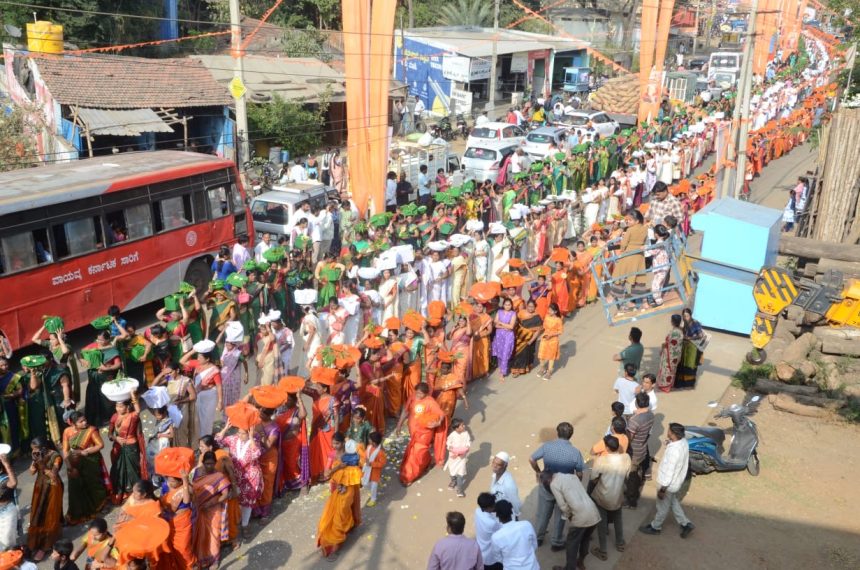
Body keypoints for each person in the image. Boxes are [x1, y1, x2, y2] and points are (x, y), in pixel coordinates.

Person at [529, 422, 585, 551]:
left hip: (547, 484)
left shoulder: (547, 446)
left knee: (543, 513)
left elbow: (532, 459)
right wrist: (575, 484)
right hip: (564, 489)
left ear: (557, 432)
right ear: (571, 435)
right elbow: (580, 473)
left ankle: (539, 537)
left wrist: (539, 472)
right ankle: (556, 542)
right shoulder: (575, 452)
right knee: (561, 515)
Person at [639, 423, 694, 538]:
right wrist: (670, 443)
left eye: (669, 431)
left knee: (662, 506)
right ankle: (685, 524)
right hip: (676, 481)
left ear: (673, 434)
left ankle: (655, 527)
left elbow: (669, 471)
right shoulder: (683, 442)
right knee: (673, 502)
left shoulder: (674, 452)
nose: (667, 432)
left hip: (668, 484)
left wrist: (663, 489)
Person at [216, 420, 262, 541]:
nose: (240, 435)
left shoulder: (254, 442)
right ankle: (238, 519)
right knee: (237, 499)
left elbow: (257, 453)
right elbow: (218, 441)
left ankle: (245, 525)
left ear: (249, 433)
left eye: (243, 434)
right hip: (235, 476)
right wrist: (225, 428)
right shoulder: (233, 439)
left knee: (247, 501)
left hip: (250, 477)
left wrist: (251, 438)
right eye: (239, 432)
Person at [316, 438, 362, 560]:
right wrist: (339, 467)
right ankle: (338, 538)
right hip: (341, 494)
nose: (334, 445)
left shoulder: (353, 467)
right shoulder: (344, 464)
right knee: (339, 515)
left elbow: (331, 476)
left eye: (337, 443)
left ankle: (336, 545)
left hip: (345, 495)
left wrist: (339, 469)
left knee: (339, 516)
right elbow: (330, 475)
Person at [62, 412, 110, 525]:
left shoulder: (91, 430)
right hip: (74, 464)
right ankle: (80, 512)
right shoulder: (67, 432)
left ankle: (99, 506)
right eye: (81, 422)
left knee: (94, 485)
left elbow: (100, 445)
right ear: (73, 424)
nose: (85, 423)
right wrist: (69, 466)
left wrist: (85, 452)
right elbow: (65, 450)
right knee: (76, 489)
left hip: (90, 462)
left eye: (85, 420)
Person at [396, 382, 447, 486]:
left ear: (426, 393)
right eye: (417, 392)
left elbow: (441, 414)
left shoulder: (430, 402)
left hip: (425, 433)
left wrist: (438, 423)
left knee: (417, 452)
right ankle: (428, 460)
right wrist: (399, 425)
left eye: (420, 394)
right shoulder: (412, 397)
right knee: (415, 451)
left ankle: (409, 476)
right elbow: (405, 411)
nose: (418, 395)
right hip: (413, 431)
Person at [589, 435, 631, 560]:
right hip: (618, 494)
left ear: (606, 448)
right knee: (618, 517)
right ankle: (620, 543)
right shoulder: (626, 457)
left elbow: (593, 478)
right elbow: (627, 476)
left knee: (602, 522)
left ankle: (603, 551)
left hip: (603, 495)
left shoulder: (602, 460)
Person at [549, 469, 600, 570]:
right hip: (594, 513)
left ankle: (570, 568)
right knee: (585, 539)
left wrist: (569, 516)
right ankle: (580, 563)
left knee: (572, 544)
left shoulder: (553, 484)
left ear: (548, 480)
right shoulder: (573, 476)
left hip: (581, 517)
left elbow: (563, 506)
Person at [191, 450, 232, 569]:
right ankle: (201, 559)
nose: (210, 466)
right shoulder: (196, 473)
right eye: (207, 463)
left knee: (214, 534)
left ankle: (214, 560)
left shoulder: (219, 476)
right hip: (199, 509)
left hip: (213, 510)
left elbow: (225, 494)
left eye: (212, 463)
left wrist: (211, 503)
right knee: (200, 535)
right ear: (202, 463)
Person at [27, 437, 64, 561]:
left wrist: (42, 464)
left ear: (44, 447)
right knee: (37, 514)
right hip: (40, 487)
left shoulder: (56, 457)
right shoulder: (37, 455)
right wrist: (34, 462)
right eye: (33, 450)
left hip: (53, 488)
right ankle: (35, 542)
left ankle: (45, 546)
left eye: (36, 449)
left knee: (50, 516)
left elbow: (53, 476)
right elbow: (31, 472)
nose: (34, 452)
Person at [107, 396, 148, 504]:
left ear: (127, 406)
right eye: (117, 406)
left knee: (133, 471)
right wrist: (115, 438)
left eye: (121, 406)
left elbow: (138, 410)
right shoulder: (114, 417)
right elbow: (109, 434)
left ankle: (136, 492)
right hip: (118, 447)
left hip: (131, 447)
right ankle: (122, 491)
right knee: (118, 470)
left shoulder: (132, 416)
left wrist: (133, 395)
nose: (118, 409)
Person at [624, 392, 655, 509]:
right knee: (638, 472)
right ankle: (635, 490)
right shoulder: (651, 415)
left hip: (634, 451)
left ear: (637, 403)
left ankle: (631, 501)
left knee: (631, 476)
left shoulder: (634, 421)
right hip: (642, 448)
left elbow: (629, 437)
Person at [490, 500, 539, 570]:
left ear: (498, 516)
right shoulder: (526, 524)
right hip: (532, 567)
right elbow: (534, 545)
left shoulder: (496, 537)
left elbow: (498, 558)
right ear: (511, 512)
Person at [160, 471, 195, 569]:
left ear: (180, 482)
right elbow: (161, 500)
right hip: (168, 522)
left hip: (182, 523)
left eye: (173, 481)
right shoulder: (165, 486)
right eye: (169, 480)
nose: (170, 483)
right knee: (172, 548)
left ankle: (189, 566)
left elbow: (187, 501)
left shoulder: (187, 488)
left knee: (184, 548)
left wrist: (185, 481)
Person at [510, 299, 542, 377]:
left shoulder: (537, 317)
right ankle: (517, 369)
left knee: (527, 353)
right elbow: (517, 322)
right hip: (520, 337)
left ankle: (525, 368)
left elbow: (537, 331)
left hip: (530, 338)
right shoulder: (521, 313)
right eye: (529, 306)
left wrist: (531, 341)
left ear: (535, 307)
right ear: (526, 306)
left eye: (532, 307)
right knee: (518, 353)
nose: (530, 308)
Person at [677, 308, 707, 389]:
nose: (685, 317)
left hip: (693, 348)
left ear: (690, 315)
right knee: (684, 364)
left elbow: (700, 335)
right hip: (686, 347)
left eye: (687, 316)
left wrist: (690, 338)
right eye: (684, 316)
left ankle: (689, 383)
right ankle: (683, 382)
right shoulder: (685, 323)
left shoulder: (695, 323)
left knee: (691, 365)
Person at [656, 314, 684, 392]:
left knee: (666, 369)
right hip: (676, 355)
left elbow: (667, 343)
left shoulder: (674, 332)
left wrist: (662, 347)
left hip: (669, 354)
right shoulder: (680, 331)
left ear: (672, 322)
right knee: (672, 370)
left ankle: (665, 385)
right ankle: (670, 384)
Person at [444, 418, 471, 498]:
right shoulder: (452, 436)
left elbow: (468, 443)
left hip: (462, 459)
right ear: (456, 428)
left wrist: (466, 448)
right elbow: (448, 445)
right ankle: (453, 481)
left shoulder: (466, 434)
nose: (464, 426)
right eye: (462, 425)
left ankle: (459, 490)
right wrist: (452, 449)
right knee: (452, 471)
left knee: (461, 474)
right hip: (453, 458)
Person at [490, 451, 521, 519]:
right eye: (493, 463)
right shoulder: (495, 475)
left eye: (498, 464)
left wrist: (516, 516)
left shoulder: (509, 485)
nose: (494, 466)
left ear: (505, 465)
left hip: (507, 517)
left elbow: (515, 503)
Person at [475, 493, 502, 570]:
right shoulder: (491, 523)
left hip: (481, 551)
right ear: (488, 508)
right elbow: (501, 529)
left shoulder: (477, 511)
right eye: (493, 505)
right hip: (490, 557)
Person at [492, 297, 517, 380]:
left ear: (511, 305)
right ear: (503, 305)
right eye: (506, 304)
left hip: (508, 336)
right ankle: (501, 366)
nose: (507, 306)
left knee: (506, 352)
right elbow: (495, 324)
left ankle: (502, 373)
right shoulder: (499, 312)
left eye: (509, 305)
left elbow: (511, 326)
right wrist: (504, 326)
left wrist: (501, 324)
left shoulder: (513, 313)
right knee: (500, 352)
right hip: (499, 335)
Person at [537, 302, 562, 379]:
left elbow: (560, 331)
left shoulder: (558, 320)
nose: (549, 311)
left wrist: (551, 335)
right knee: (541, 354)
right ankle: (543, 368)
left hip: (553, 340)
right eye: (549, 310)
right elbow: (544, 327)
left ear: (555, 311)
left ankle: (549, 372)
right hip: (545, 337)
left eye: (551, 310)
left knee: (551, 356)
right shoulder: (547, 317)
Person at [361, 431, 387, 507]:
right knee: (365, 484)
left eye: (370, 440)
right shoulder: (369, 447)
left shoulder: (380, 452)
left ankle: (373, 499)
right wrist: (364, 459)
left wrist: (372, 464)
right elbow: (366, 454)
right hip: (367, 470)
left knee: (373, 487)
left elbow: (382, 463)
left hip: (375, 473)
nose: (368, 441)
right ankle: (377, 485)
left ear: (374, 443)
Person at [0, 452, 16, 550]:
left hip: (7, 513)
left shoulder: (5, 478)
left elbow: (13, 483)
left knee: (7, 541)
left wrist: (7, 464)